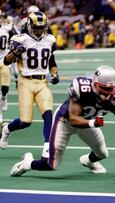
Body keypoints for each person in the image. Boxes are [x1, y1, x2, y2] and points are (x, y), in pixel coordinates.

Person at [10, 65, 115, 176]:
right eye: (107, 89)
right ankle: (28, 163)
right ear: (96, 85)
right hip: (64, 122)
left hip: (88, 123)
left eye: (114, 88)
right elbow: (73, 119)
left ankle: (88, 161)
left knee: (102, 154)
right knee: (51, 165)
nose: (112, 92)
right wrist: (93, 123)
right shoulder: (81, 88)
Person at [1, 12, 59, 160]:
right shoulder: (20, 39)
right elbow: (6, 62)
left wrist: (54, 74)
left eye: (42, 27)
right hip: (25, 82)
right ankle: (7, 129)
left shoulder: (50, 40)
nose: (39, 30)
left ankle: (47, 147)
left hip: (42, 83)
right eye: (36, 27)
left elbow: (51, 61)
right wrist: (15, 52)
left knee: (48, 114)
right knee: (25, 121)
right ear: (29, 26)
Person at [0, 10, 18, 125]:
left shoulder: (7, 28)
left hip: (3, 61)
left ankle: (4, 97)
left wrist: (13, 51)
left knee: (5, 86)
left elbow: (17, 39)